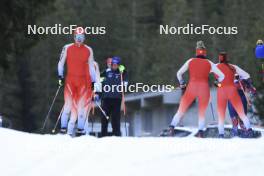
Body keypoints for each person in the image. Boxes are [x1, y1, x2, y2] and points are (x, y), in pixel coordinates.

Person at [168, 41, 224, 137]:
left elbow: (179, 73)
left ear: (196, 51)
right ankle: (200, 132)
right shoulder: (209, 63)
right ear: (205, 52)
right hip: (204, 89)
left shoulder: (190, 61)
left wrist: (182, 83)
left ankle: (172, 127)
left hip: (191, 87)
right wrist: (217, 83)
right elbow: (222, 76)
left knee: (181, 109)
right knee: (201, 112)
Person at [57, 26, 98, 136]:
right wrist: (60, 76)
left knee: (81, 109)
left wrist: (94, 83)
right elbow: (60, 63)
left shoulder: (88, 50)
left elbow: (91, 68)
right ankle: (63, 129)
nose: (79, 39)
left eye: (81, 37)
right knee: (68, 106)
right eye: (77, 37)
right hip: (70, 81)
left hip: (83, 83)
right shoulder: (67, 47)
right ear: (74, 37)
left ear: (84, 37)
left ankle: (80, 130)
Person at [216, 52, 255, 138]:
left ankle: (223, 134)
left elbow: (246, 77)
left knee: (236, 117)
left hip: (233, 93)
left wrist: (249, 85)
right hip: (231, 93)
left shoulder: (219, 67)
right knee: (236, 117)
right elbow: (247, 76)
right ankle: (241, 130)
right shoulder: (232, 67)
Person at [100, 56, 128, 137]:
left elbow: (125, 79)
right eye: (113, 64)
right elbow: (99, 81)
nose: (114, 66)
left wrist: (124, 82)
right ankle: (103, 135)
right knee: (104, 118)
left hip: (116, 99)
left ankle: (116, 134)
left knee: (115, 118)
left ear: (118, 65)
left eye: (116, 65)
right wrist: (96, 93)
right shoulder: (106, 72)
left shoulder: (121, 72)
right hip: (106, 99)